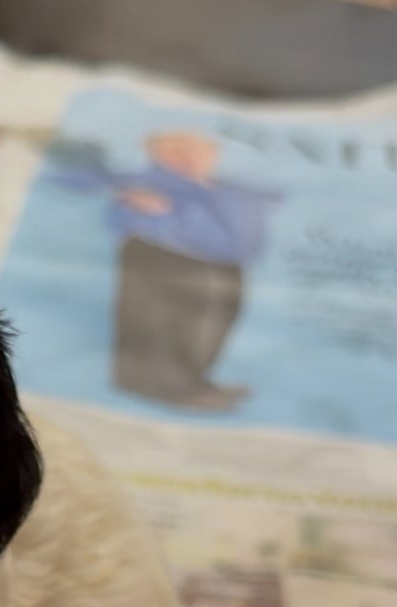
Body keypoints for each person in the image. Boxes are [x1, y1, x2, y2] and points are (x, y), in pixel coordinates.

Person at [52, 131, 281, 411]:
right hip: (166, 260)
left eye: (195, 148)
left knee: (212, 325)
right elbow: (74, 176)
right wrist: (126, 192)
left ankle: (194, 382)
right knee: (164, 325)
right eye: (173, 150)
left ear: (212, 153)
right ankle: (166, 389)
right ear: (154, 153)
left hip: (224, 266)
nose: (185, 156)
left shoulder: (226, 187)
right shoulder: (149, 181)